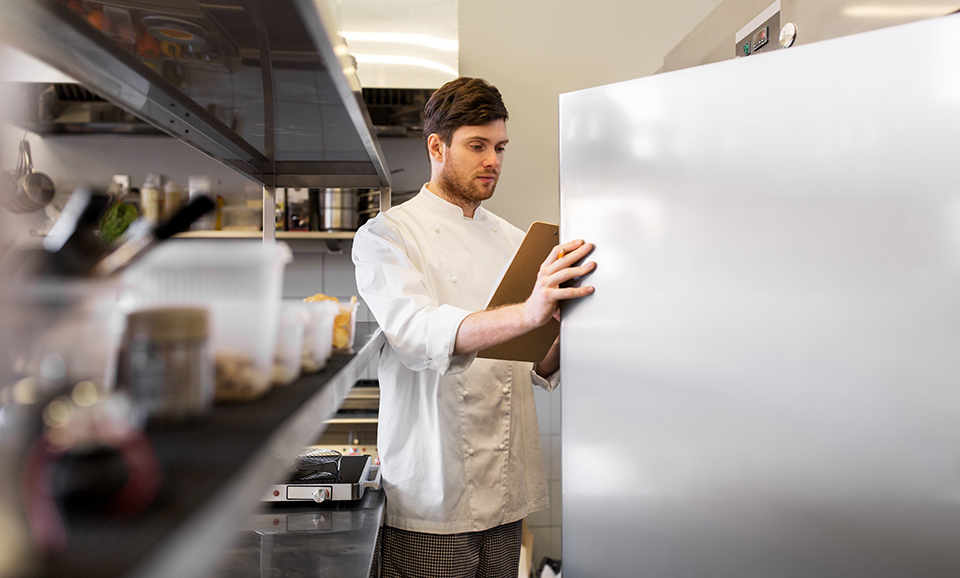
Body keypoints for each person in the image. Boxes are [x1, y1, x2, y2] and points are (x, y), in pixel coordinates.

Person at [352, 77, 596, 578]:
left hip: (506, 493)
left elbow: (530, 361)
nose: (493, 161)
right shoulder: (386, 235)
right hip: (432, 498)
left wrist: (576, 331)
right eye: (477, 146)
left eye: (500, 147)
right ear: (436, 147)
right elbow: (416, 333)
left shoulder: (514, 239)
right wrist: (530, 311)